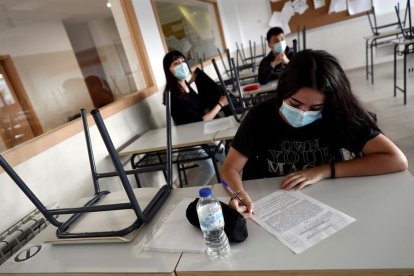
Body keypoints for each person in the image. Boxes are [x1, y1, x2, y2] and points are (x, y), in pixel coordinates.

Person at [221, 49, 408, 216]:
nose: (303, 113)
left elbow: (396, 159)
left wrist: (325, 171)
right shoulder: (259, 117)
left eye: (315, 107)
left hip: (329, 205)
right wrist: (238, 194)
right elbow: (230, 168)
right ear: (283, 89)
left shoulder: (336, 114)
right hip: (272, 206)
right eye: (295, 104)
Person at [163, 50, 228, 186]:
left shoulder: (185, 85)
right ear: (169, 70)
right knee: (209, 168)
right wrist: (220, 104)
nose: (181, 64)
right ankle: (192, 197)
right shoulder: (171, 93)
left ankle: (230, 186)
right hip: (188, 141)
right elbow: (200, 120)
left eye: (182, 61)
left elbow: (196, 106)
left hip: (200, 135)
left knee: (224, 156)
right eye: (176, 63)